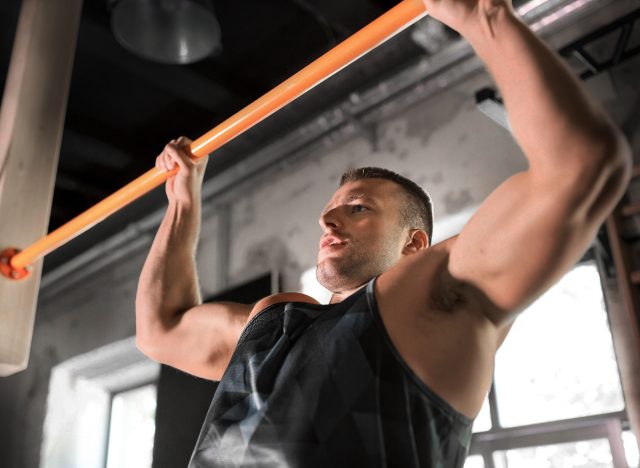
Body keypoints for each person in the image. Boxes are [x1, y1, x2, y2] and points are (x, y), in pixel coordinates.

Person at [135, 0, 632, 466]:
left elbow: (581, 166)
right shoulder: (273, 323)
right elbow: (162, 329)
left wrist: (483, 15)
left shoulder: (431, 298)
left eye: (358, 209)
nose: (329, 221)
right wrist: (182, 205)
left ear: (414, 243)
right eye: (329, 212)